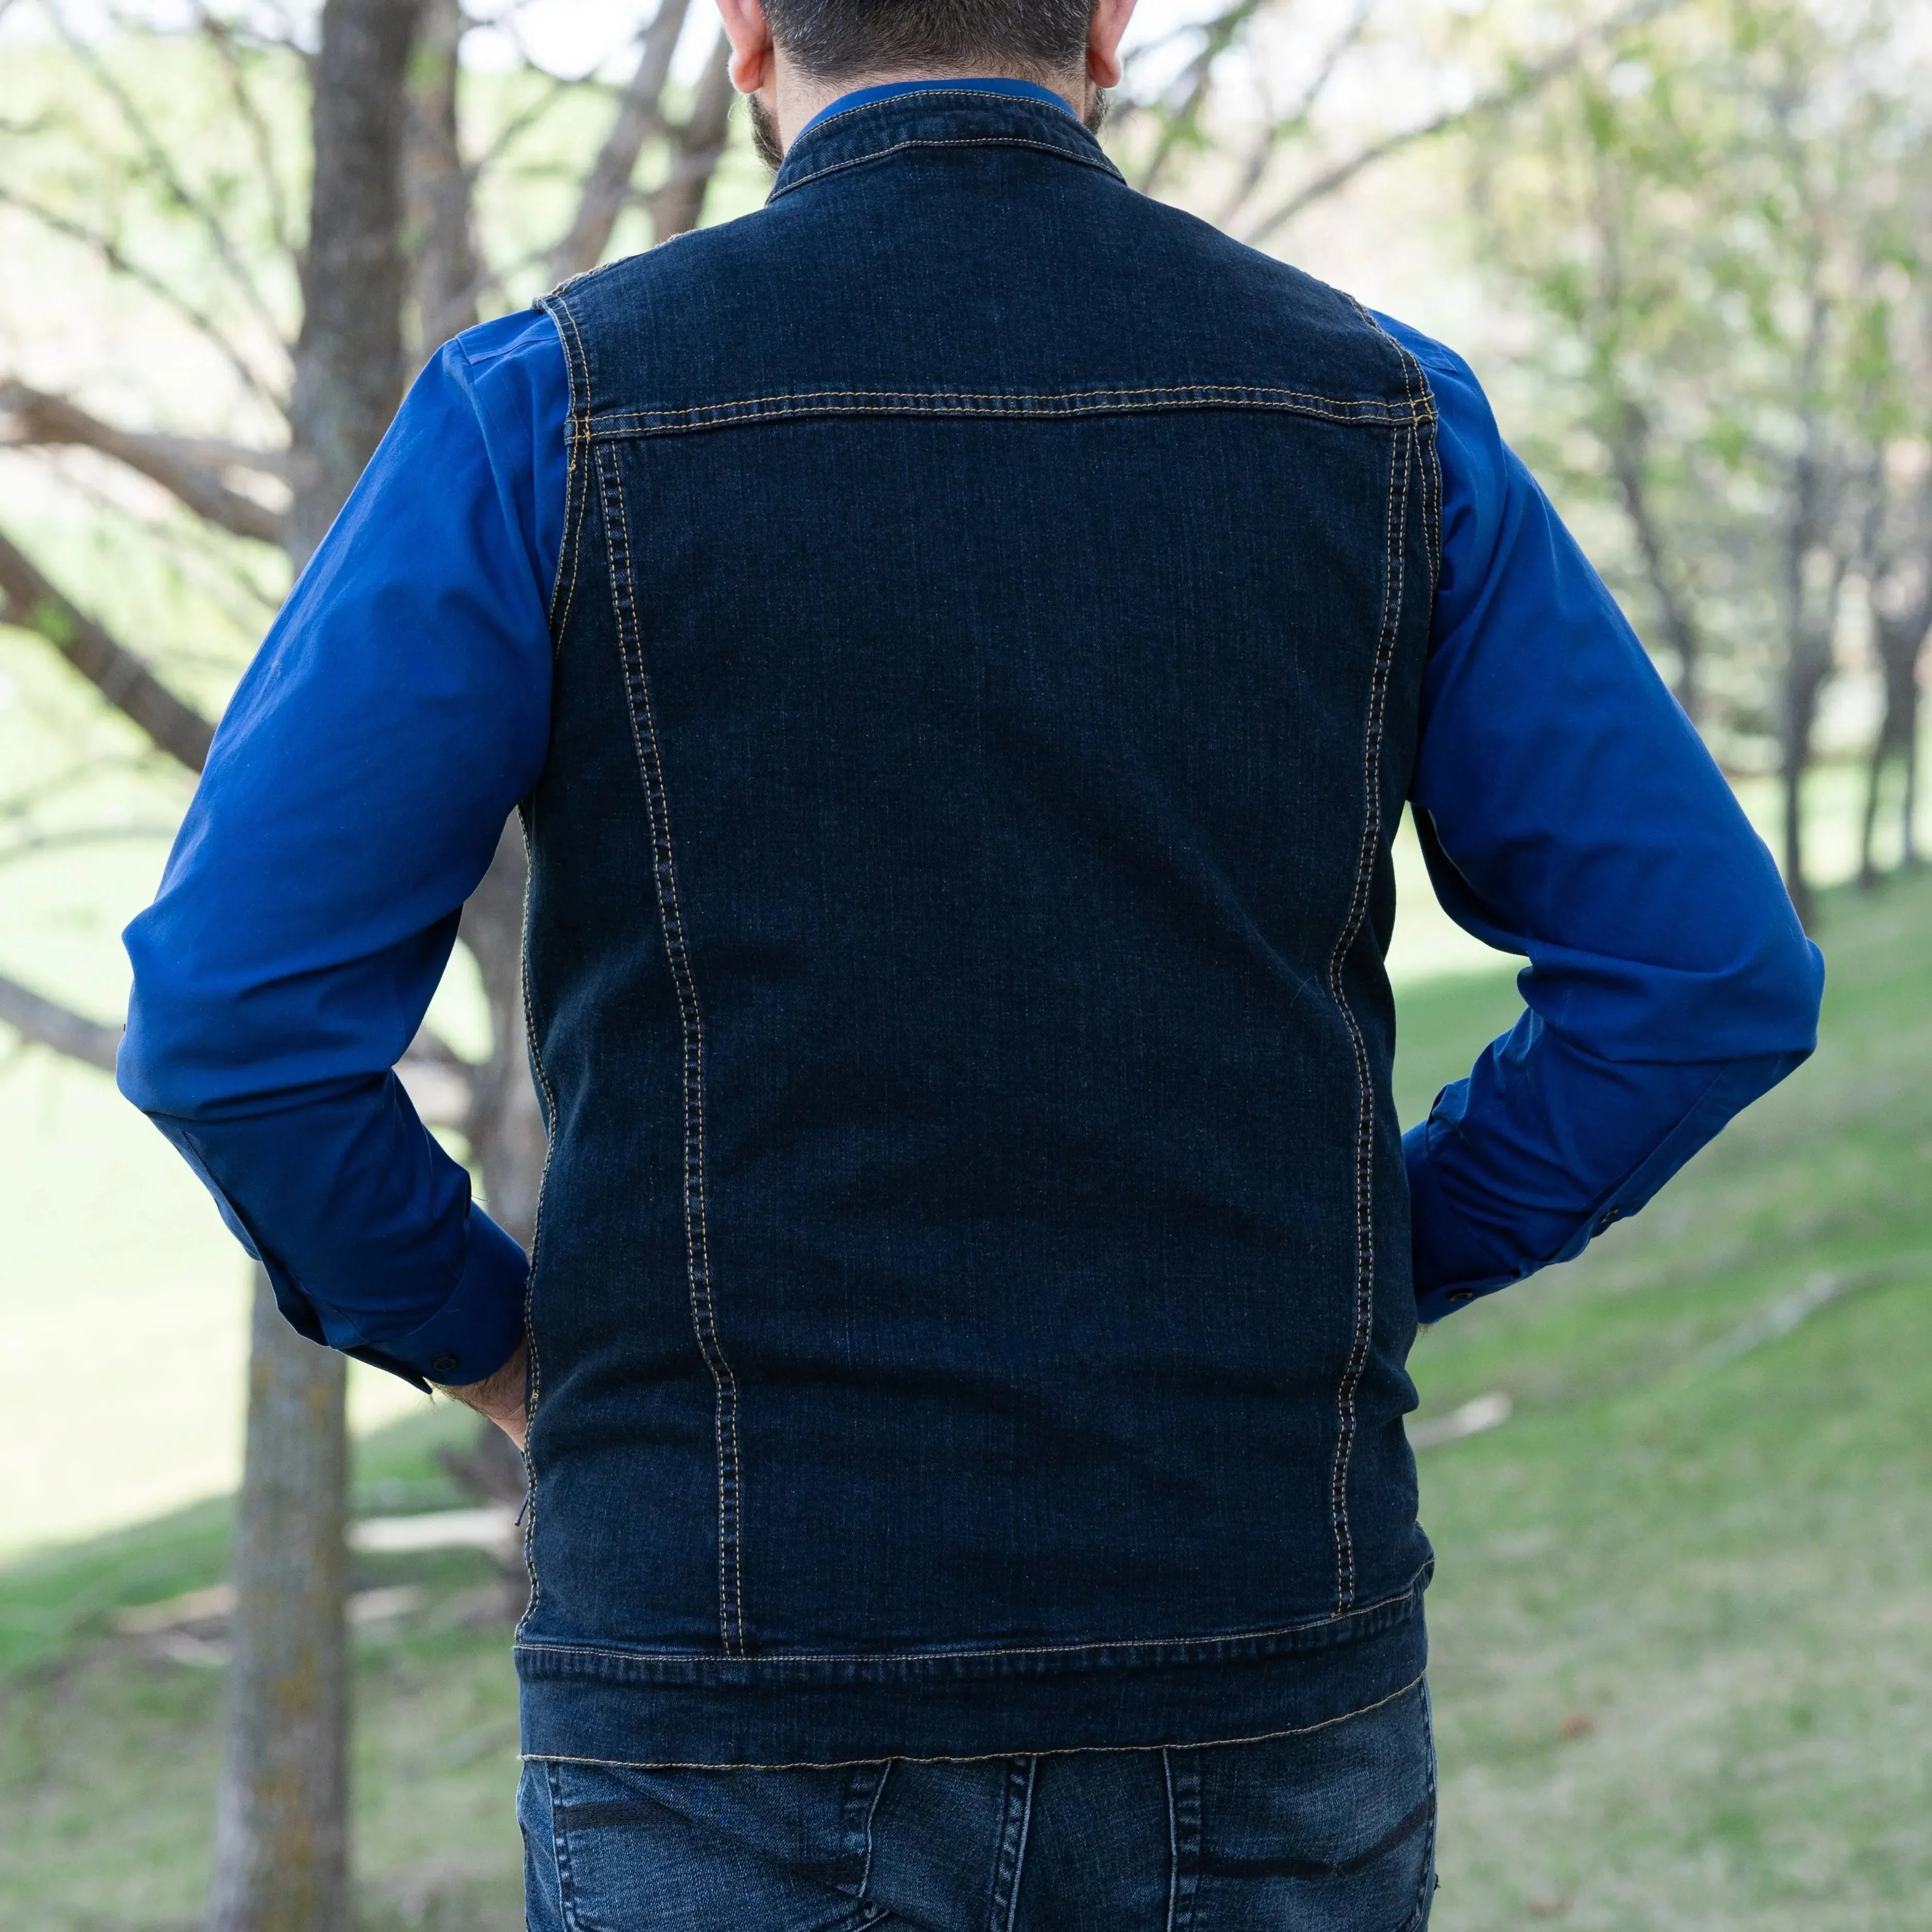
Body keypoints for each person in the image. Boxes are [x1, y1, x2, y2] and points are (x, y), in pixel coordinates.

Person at [118, 1, 1824, 1923]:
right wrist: (1358, 1263)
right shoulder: (1381, 409)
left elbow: (237, 1030)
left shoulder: (547, 412)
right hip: (1256, 1623)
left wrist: (497, 1344)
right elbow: (1704, 979)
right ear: (1108, 26)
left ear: (746, 32)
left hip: (733, 1662)